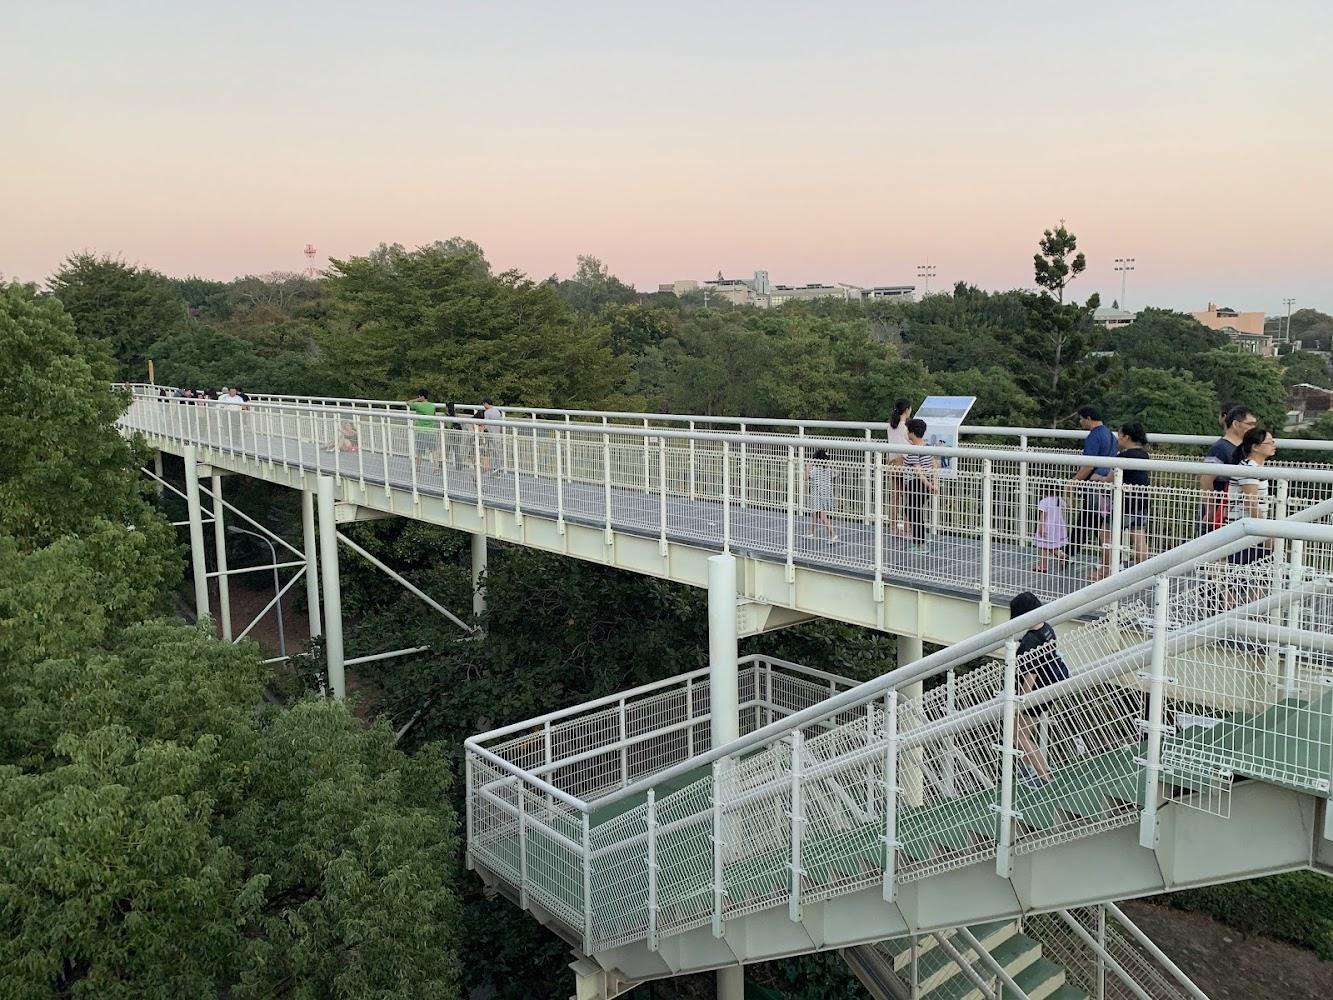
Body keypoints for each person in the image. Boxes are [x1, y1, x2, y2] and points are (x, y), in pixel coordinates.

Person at [1010, 591, 1071, 785]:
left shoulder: (1030, 641)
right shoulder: (1046, 629)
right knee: (1021, 735)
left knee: (1018, 735)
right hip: (1048, 687)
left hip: (1034, 693)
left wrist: (1022, 699)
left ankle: (1042, 775)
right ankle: (1035, 772)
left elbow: (1031, 673)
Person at [1066, 405, 1117, 570]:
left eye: (1081, 419)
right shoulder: (1110, 434)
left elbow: (1088, 465)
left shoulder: (1093, 436)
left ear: (1088, 418)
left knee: (1094, 521)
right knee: (1093, 521)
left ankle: (1071, 554)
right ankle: (1070, 553)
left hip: (1094, 484)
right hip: (1106, 483)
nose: (1080, 422)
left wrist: (1074, 481)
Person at [1225, 427, 1277, 565]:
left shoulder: (1253, 467)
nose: (1273, 445)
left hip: (1249, 530)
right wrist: (1266, 534)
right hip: (1244, 532)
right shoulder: (1249, 468)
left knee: (1255, 579)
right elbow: (1251, 503)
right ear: (1255, 447)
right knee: (1246, 579)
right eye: (1269, 442)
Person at [1200, 406, 1256, 532]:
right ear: (1236, 424)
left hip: (1233, 510)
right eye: (1250, 424)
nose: (1253, 428)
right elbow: (1206, 480)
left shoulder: (1241, 447)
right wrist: (1210, 510)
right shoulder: (1220, 448)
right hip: (1220, 512)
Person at [1117, 423, 1152, 566]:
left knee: (1106, 531)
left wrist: (1100, 479)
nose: (1118, 439)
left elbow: (1112, 476)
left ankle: (1106, 568)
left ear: (1127, 437)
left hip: (1125, 503)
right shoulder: (1144, 454)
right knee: (1138, 534)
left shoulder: (1124, 456)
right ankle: (1143, 569)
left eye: (1119, 436)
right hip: (1142, 501)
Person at [902, 418, 937, 553]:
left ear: (911, 433)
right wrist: (934, 483)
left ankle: (921, 544)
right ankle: (920, 541)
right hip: (925, 484)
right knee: (915, 511)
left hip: (916, 484)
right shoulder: (927, 447)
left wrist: (928, 483)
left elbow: (917, 470)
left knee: (912, 511)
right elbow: (934, 464)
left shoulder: (914, 449)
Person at [886, 399, 912, 538]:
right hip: (904, 464)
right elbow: (907, 448)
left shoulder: (890, 426)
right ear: (907, 410)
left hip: (892, 464)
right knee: (909, 497)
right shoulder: (905, 428)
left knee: (894, 497)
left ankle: (893, 527)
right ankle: (907, 529)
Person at [805, 449, 838, 543]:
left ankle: (833, 535)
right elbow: (835, 475)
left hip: (817, 494)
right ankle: (811, 532)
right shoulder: (828, 469)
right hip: (826, 494)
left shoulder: (815, 469)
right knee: (814, 513)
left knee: (822, 517)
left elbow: (806, 478)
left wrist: (807, 468)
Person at [1033, 494, 1068, 573]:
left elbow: (1042, 516)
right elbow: (1068, 507)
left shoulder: (1044, 501)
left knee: (1043, 547)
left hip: (1047, 526)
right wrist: (1068, 495)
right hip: (1057, 526)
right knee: (1050, 545)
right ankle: (1062, 556)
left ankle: (1043, 566)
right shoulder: (1058, 499)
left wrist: (1041, 527)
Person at [406, 389, 439, 470]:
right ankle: (436, 468)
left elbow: (408, 402)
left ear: (421, 396)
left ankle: (417, 467)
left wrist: (417, 399)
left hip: (421, 431)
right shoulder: (432, 406)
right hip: (432, 431)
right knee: (433, 451)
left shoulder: (418, 405)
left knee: (420, 451)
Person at [481, 397, 504, 474]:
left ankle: (495, 467)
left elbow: (485, 424)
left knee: (493, 451)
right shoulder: (497, 411)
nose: (483, 406)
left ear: (486, 404)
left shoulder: (487, 413)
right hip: (498, 434)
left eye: (484, 404)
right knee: (498, 451)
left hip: (491, 435)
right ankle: (499, 467)